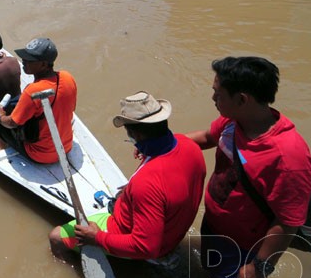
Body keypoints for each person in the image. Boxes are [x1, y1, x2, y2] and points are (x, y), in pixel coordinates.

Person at [187, 57, 311, 278]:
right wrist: (163, 146)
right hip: (215, 226)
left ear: (243, 99)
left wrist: (259, 267)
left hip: (244, 247)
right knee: (211, 275)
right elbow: (206, 138)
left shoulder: (288, 157)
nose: (213, 99)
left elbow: (288, 222)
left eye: (218, 94)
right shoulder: (233, 121)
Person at [49, 91, 206, 263]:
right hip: (172, 234)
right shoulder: (190, 147)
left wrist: (96, 237)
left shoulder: (146, 184)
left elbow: (146, 247)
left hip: (137, 239)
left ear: (137, 135)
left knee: (56, 236)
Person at [0, 38, 77, 164]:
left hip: (41, 154)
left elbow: (12, 123)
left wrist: (0, 116)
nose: (24, 61)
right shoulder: (67, 77)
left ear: (44, 64)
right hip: (66, 146)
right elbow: (71, 108)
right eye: (24, 57)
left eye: (30, 60)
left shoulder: (32, 91)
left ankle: (6, 150)